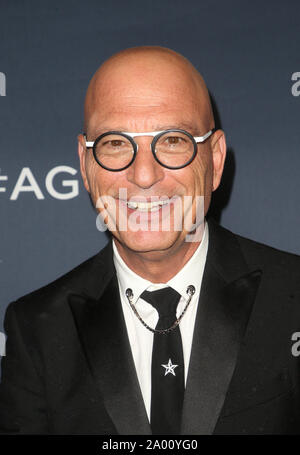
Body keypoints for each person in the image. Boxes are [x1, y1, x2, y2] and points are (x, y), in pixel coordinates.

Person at [0, 46, 299, 435]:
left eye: (173, 140)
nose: (143, 175)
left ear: (216, 160)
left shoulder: (292, 300)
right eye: (115, 142)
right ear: (85, 166)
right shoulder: (36, 329)